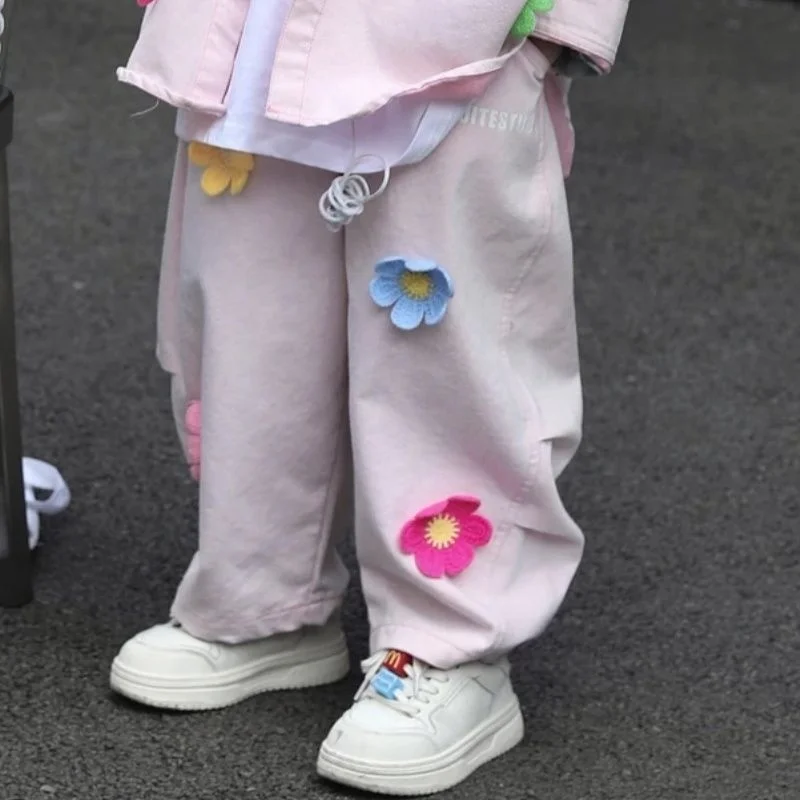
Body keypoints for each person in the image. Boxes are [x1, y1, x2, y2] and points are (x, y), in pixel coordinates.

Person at [110, 0, 628, 793]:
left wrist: (559, 30)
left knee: (447, 344)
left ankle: (451, 639)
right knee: (252, 322)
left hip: (465, 36)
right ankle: (263, 596)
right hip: (246, 27)